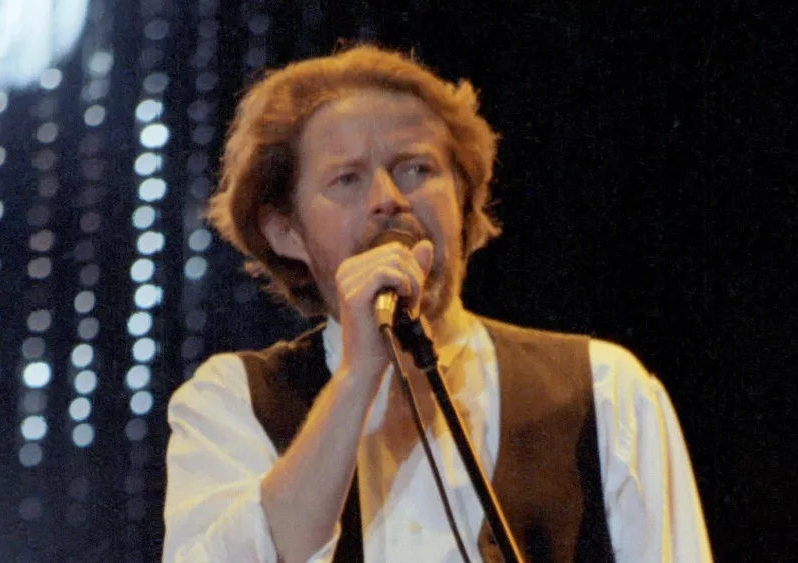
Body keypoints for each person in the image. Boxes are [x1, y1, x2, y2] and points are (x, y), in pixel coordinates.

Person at [162, 44, 713, 563]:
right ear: (286, 231)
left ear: (465, 198)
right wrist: (357, 377)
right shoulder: (231, 404)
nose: (387, 199)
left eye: (416, 169)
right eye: (347, 179)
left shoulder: (603, 390)